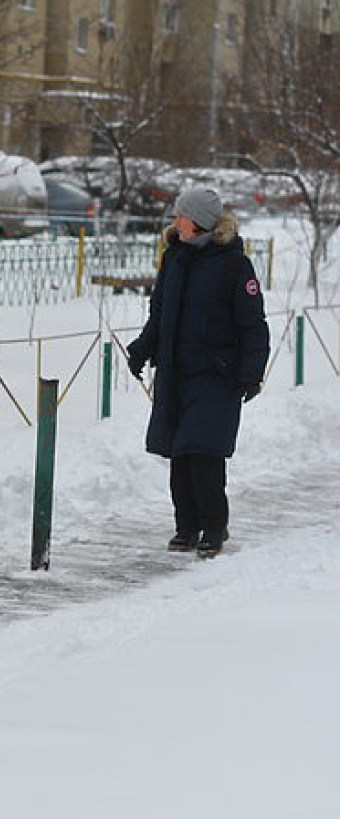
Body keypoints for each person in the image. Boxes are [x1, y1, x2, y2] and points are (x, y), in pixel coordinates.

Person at [126, 185, 269, 559]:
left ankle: (214, 527)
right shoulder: (175, 259)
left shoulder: (234, 265)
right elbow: (159, 315)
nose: (175, 222)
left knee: (203, 451)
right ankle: (186, 527)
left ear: (199, 222)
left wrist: (252, 372)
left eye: (181, 216)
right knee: (180, 452)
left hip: (216, 374)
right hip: (176, 372)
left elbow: (253, 323)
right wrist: (142, 349)